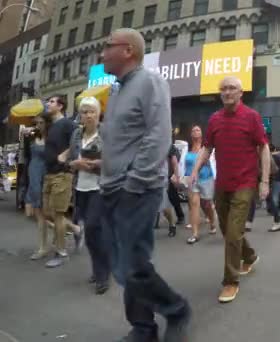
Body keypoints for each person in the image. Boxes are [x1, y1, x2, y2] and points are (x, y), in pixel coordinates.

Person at [99, 28, 191, 341]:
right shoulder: (115, 90)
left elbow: (158, 136)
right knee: (124, 264)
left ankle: (176, 309)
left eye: (107, 47)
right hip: (111, 188)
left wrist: (134, 181)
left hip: (138, 188)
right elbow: (120, 141)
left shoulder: (150, 82)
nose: (102, 53)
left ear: (128, 51)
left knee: (132, 265)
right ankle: (143, 328)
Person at [192, 76, 270, 304]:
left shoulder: (252, 117)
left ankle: (230, 281)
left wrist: (264, 181)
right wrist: (196, 168)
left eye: (232, 88)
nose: (227, 92)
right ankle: (250, 256)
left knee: (234, 232)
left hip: (245, 183)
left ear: (240, 93)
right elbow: (207, 148)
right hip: (222, 184)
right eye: (223, 89)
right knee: (228, 230)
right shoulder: (215, 119)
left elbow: (263, 148)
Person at [67, 97, 111, 295]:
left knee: (93, 228)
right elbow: (70, 160)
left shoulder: (106, 132)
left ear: (98, 113)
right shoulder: (77, 134)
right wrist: (74, 164)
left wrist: (97, 164)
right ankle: (100, 267)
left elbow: (116, 158)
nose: (88, 115)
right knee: (92, 233)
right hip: (80, 188)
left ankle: (102, 276)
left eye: (91, 111)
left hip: (100, 188)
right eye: (84, 112)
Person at [42, 95, 83, 268]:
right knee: (47, 213)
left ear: (60, 106)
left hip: (62, 174)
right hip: (49, 173)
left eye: (51, 102)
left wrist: (65, 155)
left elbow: (79, 137)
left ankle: (61, 252)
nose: (47, 104)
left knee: (58, 215)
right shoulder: (51, 126)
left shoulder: (67, 124)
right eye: (48, 101)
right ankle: (76, 229)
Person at [184, 125, 216, 244]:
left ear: (201, 134)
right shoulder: (187, 149)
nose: (195, 132)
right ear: (191, 135)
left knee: (207, 204)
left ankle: (212, 222)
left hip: (206, 178)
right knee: (194, 205)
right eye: (193, 130)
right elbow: (184, 164)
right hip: (192, 180)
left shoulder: (207, 148)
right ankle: (195, 233)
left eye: (198, 130)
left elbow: (213, 162)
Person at [27, 115, 50, 260]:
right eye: (37, 123)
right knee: (36, 212)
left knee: (48, 213)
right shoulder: (32, 136)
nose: (39, 125)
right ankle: (43, 247)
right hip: (32, 174)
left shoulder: (51, 138)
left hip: (44, 175)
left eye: (42, 122)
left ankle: (43, 248)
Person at [268, 144, 280, 232]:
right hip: (279, 179)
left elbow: (274, 169)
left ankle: (277, 220)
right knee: (276, 197)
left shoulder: (273, 156)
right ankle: (277, 218)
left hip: (275, 179)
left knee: (273, 198)